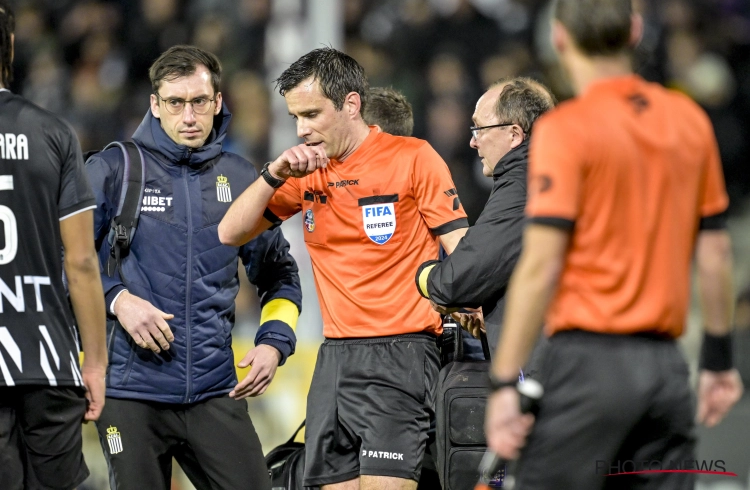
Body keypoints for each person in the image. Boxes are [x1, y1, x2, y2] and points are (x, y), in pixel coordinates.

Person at [484, 0, 744, 489]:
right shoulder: (689, 120)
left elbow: (540, 266)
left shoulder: (566, 130)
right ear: (636, 32)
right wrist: (716, 363)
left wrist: (502, 383)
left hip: (588, 369)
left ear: (559, 38)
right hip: (668, 370)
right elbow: (714, 254)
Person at [219, 47, 469, 490]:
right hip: (333, 357)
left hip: (402, 353)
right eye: (295, 117)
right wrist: (273, 174)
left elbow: (463, 253)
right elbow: (230, 232)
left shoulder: (413, 158)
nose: (302, 129)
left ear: (350, 104)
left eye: (312, 114)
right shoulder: (306, 170)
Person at [85, 45, 302, 490]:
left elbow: (280, 273)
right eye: (175, 103)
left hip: (213, 390)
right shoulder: (112, 170)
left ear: (218, 103)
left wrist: (275, 342)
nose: (188, 116)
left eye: (199, 102)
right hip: (130, 393)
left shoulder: (242, 179)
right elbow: (63, 263)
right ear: (155, 105)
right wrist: (118, 300)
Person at [0, 0, 107, 489]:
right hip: (49, 358)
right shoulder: (54, 132)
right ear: (13, 47)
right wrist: (96, 362)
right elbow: (82, 261)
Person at [415, 77, 555, 366]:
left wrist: (425, 274)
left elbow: (454, 281)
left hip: (549, 367)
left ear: (515, 135)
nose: (472, 140)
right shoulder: (552, 175)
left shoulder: (522, 184)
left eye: (479, 128)